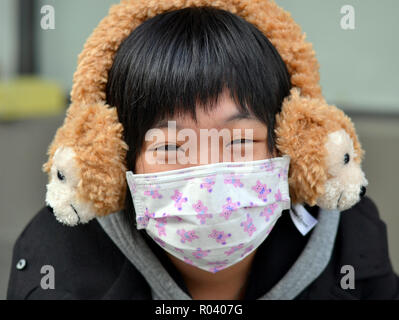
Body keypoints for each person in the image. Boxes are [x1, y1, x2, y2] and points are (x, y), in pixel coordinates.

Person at [7, 6, 399, 300]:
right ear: (114, 161)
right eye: (172, 147)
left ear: (294, 147)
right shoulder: (58, 263)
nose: (209, 175)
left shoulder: (348, 237)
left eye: (240, 141)